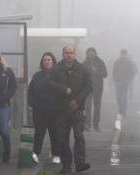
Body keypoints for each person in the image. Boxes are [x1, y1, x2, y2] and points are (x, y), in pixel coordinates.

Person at [45, 46, 93, 174]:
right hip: (61, 110)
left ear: (75, 55)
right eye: (67, 53)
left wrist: (78, 100)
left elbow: (89, 85)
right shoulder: (56, 69)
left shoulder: (82, 69)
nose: (69, 55)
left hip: (77, 110)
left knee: (79, 136)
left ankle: (80, 162)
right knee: (62, 139)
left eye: (71, 53)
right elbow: (48, 82)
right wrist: (63, 89)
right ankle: (66, 165)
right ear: (62, 54)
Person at [28, 52, 60, 164]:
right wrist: (33, 104)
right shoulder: (37, 76)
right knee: (39, 132)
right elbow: (30, 92)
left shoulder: (58, 75)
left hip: (54, 110)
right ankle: (35, 153)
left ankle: (56, 154)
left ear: (53, 61)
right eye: (45, 60)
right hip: (39, 110)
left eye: (49, 60)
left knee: (54, 132)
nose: (47, 62)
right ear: (42, 62)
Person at [82, 47, 107, 132]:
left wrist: (96, 71)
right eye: (89, 55)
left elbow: (105, 74)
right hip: (88, 88)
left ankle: (96, 124)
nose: (90, 56)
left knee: (97, 106)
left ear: (95, 54)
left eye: (92, 55)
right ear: (87, 55)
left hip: (98, 88)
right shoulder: (84, 64)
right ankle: (87, 124)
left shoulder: (100, 63)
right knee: (87, 106)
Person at [113, 49, 134, 117]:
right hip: (118, 81)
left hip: (125, 81)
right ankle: (120, 108)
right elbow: (114, 72)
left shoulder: (128, 62)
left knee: (124, 97)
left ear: (126, 54)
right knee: (118, 96)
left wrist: (129, 79)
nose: (123, 55)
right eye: (122, 54)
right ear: (120, 54)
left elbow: (132, 72)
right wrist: (115, 80)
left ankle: (123, 111)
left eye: (125, 54)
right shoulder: (117, 62)